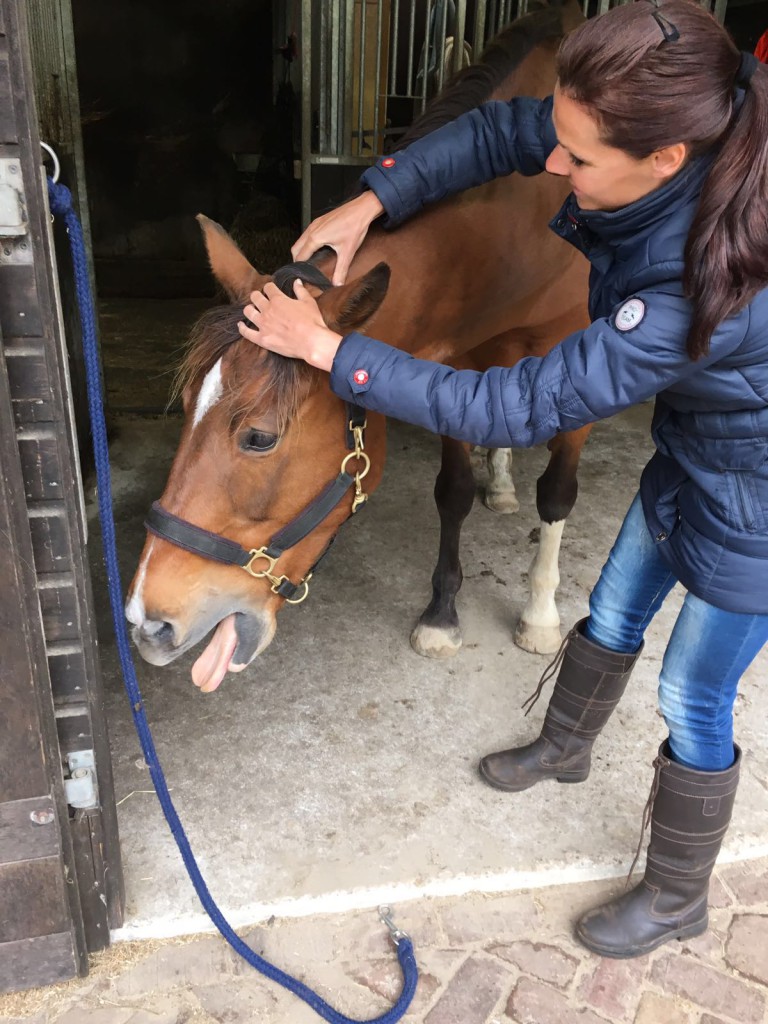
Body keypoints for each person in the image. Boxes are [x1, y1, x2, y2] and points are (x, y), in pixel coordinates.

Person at [238, 0, 768, 959]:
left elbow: (518, 409)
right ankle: (566, 746)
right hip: (700, 444)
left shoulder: (702, 282)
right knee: (609, 612)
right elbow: (499, 130)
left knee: (694, 691)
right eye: (561, 142)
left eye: (578, 160)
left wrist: (329, 348)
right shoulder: (685, 124)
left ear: (665, 162)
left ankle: (680, 894)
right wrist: (369, 201)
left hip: (759, 490)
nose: (553, 167)